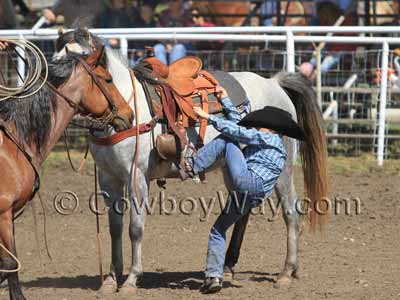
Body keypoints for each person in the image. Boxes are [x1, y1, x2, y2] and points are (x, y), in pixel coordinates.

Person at [180, 87, 305, 294]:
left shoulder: (269, 139)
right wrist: (225, 99)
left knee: (226, 140)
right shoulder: (271, 142)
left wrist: (207, 117)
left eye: (263, 126)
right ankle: (214, 276)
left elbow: (238, 131)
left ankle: (190, 167)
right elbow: (239, 123)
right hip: (249, 197)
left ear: (272, 129)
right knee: (218, 229)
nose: (259, 127)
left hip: (248, 182)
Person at [153, 0, 192, 64]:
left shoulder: (188, 15)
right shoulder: (163, 15)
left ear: (180, 2)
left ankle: (174, 73)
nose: (170, 3)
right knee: (157, 48)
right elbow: (159, 32)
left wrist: (174, 44)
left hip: (184, 46)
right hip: (166, 45)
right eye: (169, 1)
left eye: (174, 1)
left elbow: (190, 36)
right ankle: (162, 73)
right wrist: (166, 44)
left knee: (178, 48)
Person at [42, 0, 106, 28]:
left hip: (94, 38)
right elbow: (51, 14)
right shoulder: (64, 2)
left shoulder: (99, 2)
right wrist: (46, 11)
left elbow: (108, 22)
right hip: (72, 38)